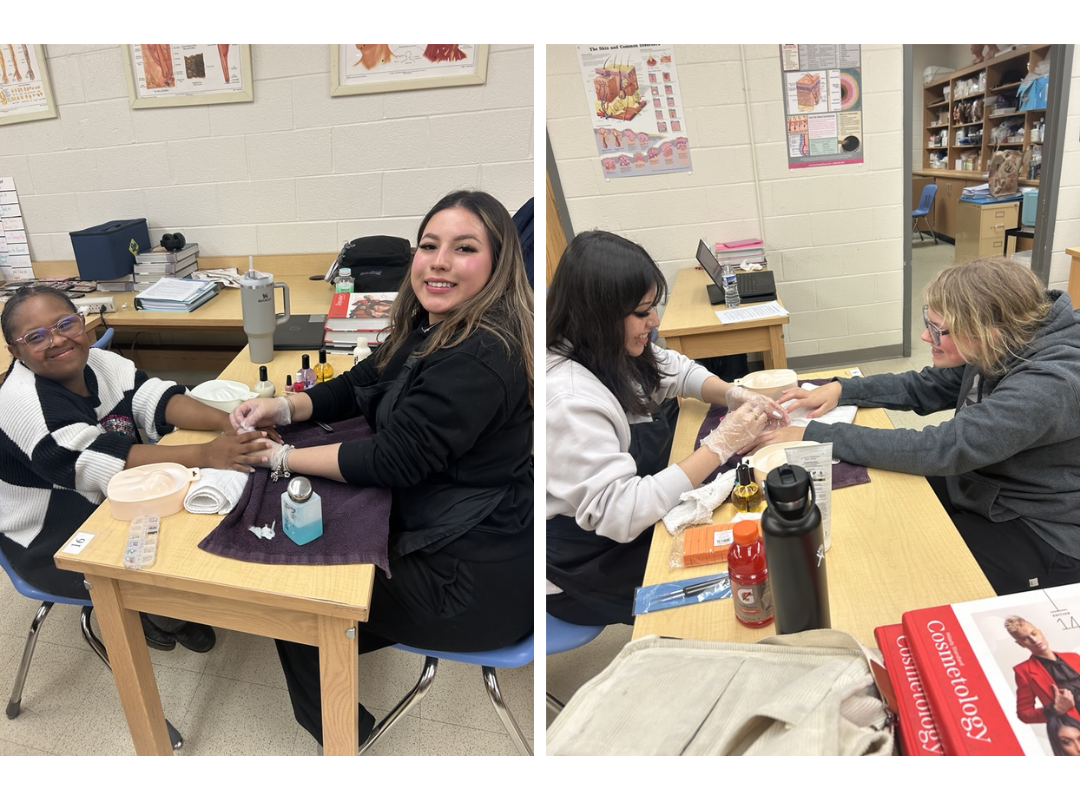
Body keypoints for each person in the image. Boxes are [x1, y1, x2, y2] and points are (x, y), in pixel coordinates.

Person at [230, 190, 533, 747]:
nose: (439, 261)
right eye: (429, 245)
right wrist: (284, 407)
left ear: (498, 264)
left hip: (472, 579)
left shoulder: (481, 354)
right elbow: (364, 379)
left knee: (294, 608)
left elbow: (393, 459)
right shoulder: (434, 324)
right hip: (452, 527)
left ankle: (345, 742)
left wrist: (279, 457)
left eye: (463, 248)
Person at [755, 258, 1080, 596]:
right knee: (879, 512)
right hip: (984, 486)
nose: (927, 336)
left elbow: (944, 448)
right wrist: (846, 389)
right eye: (929, 321)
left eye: (939, 330)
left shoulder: (1049, 384)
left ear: (988, 332)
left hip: (1038, 524)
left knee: (909, 576)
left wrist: (815, 435)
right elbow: (929, 386)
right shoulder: (1009, 338)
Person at [0, 285, 274, 652]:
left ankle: (160, 604)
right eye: (36, 337)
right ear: (15, 351)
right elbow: (101, 464)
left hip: (107, 496)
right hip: (52, 536)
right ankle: (158, 610)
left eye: (65, 324)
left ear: (82, 323)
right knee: (175, 539)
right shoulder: (23, 405)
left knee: (191, 512)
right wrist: (208, 454)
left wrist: (228, 422)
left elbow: (155, 399)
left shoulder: (97, 362)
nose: (57, 340)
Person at [546, 230, 788, 627]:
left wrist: (734, 394)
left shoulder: (607, 345)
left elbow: (677, 370)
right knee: (729, 584)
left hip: (627, 517)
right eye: (642, 313)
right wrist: (719, 444)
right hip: (585, 560)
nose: (654, 322)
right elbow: (622, 513)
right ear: (599, 316)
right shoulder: (569, 399)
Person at [1003, 615, 1080, 729]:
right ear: (1020, 644)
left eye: (1034, 634)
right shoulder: (1024, 671)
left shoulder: (1073, 657)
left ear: (1040, 632)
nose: (1034, 640)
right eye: (1025, 639)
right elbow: (1024, 714)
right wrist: (1054, 710)